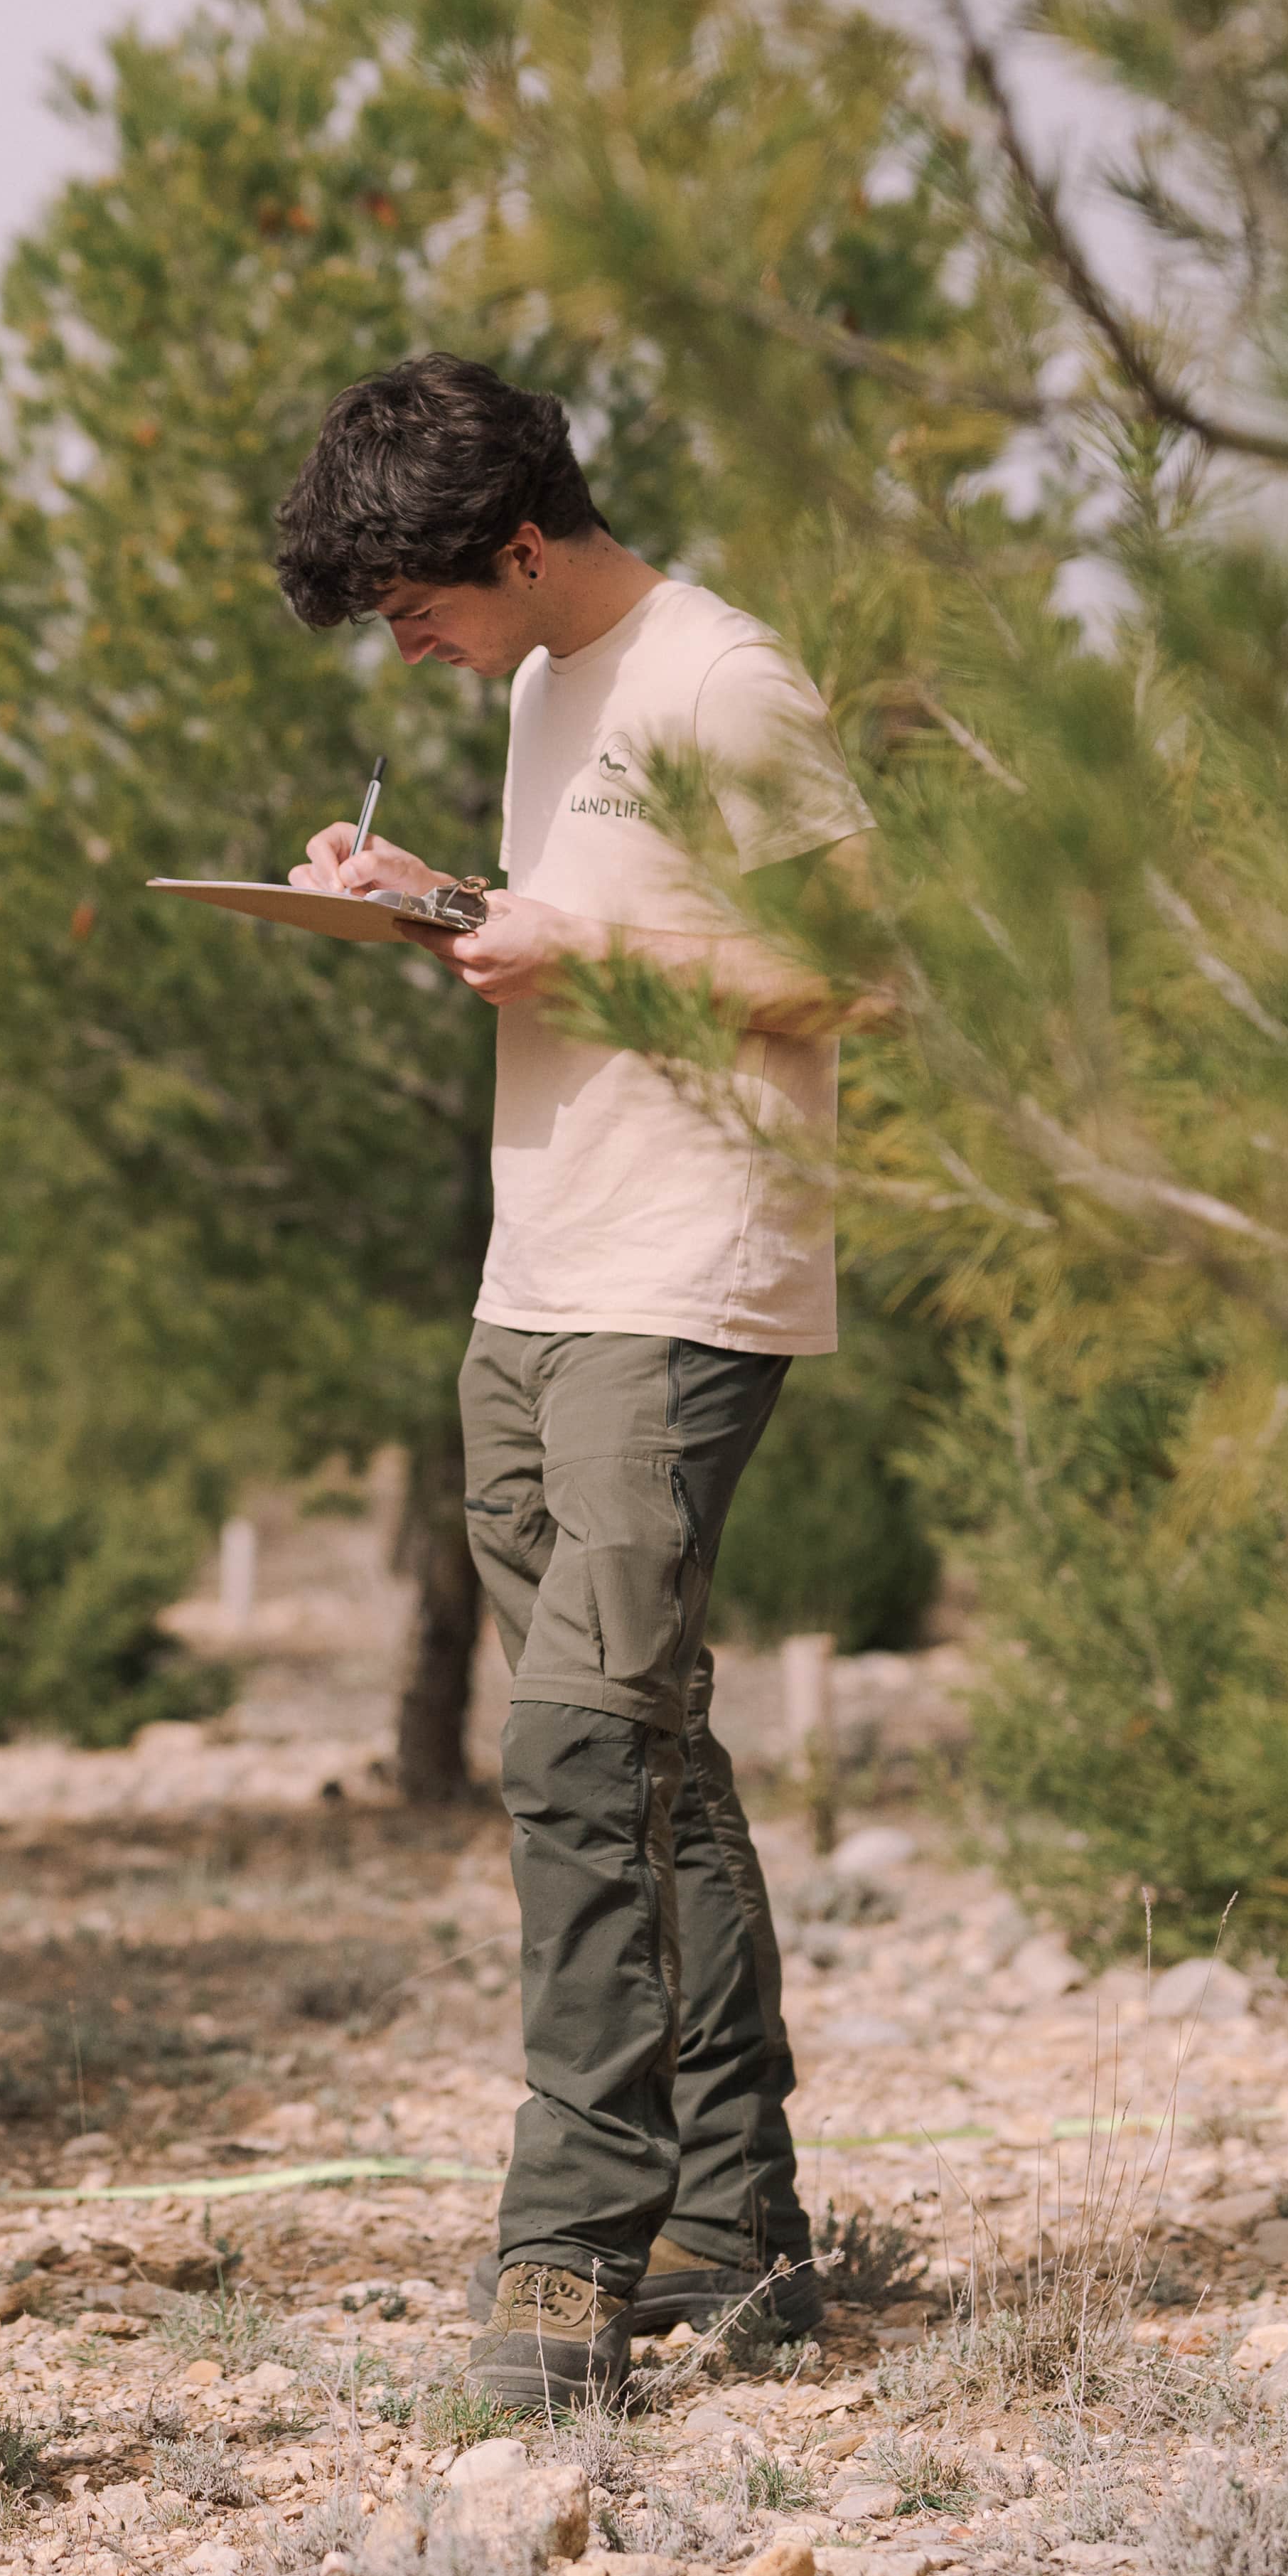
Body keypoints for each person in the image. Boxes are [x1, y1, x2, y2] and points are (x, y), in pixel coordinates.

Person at [272, 350, 884, 2411]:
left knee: (572, 1754)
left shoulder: (728, 684)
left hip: (686, 1278)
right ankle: (738, 2223)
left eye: (417, 606)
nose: (408, 648)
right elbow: (577, 932)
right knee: (646, 1751)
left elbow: (864, 972)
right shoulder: (545, 687)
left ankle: (571, 2247)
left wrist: (586, 961)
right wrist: (428, 904)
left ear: (523, 544)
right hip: (536, 1273)